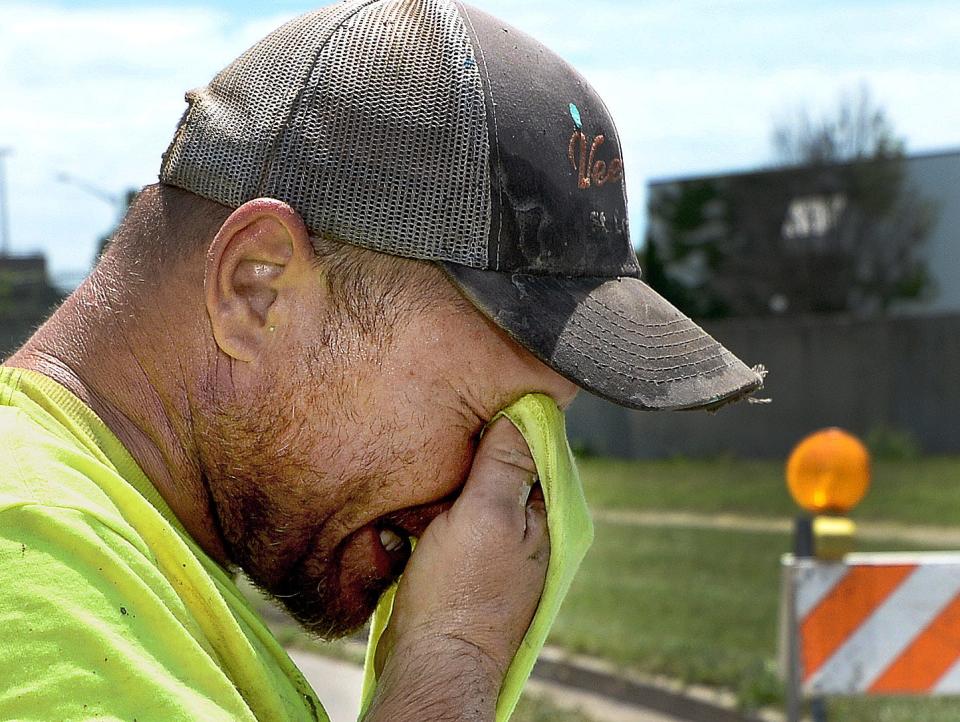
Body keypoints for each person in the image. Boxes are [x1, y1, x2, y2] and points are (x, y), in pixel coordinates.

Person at [0, 1, 762, 720]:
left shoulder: (109, 550)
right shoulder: (32, 573)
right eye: (487, 421)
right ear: (256, 287)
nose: (489, 509)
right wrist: (449, 658)